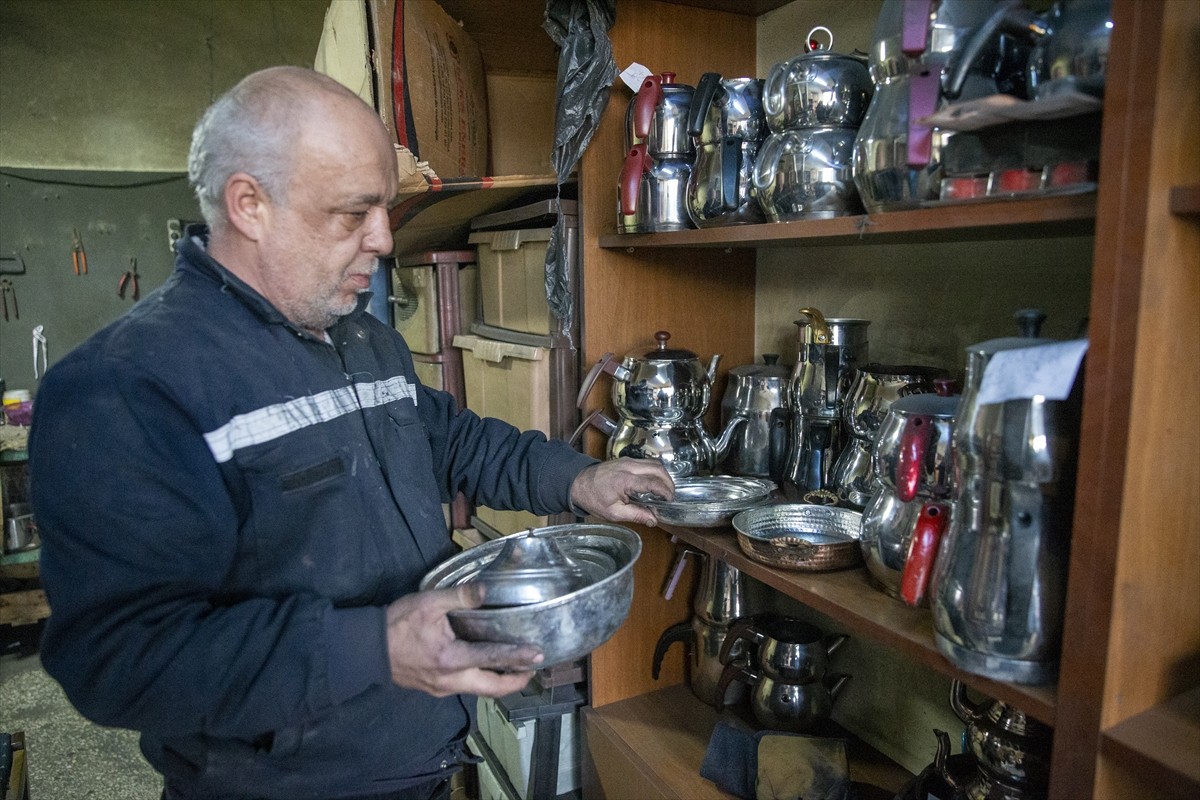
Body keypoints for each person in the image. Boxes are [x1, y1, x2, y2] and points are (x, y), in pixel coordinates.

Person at [27, 66, 674, 800]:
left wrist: (579, 479)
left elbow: (450, 441)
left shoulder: (361, 338)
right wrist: (378, 648)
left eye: (386, 208)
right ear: (249, 205)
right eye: (351, 212)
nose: (384, 239)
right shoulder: (129, 388)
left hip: (423, 761)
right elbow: (119, 659)